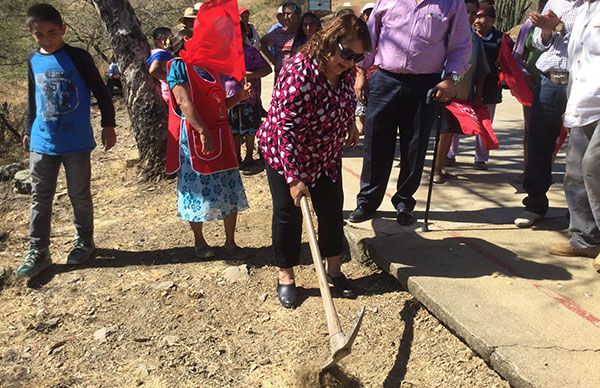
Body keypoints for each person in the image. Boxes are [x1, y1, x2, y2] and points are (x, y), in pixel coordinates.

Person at [258, 14, 369, 308]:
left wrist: (348, 125)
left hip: (325, 156)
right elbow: (285, 130)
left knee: (331, 211)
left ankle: (334, 270)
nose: (350, 61)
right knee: (288, 214)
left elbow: (345, 99)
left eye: (358, 56)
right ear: (330, 40)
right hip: (285, 154)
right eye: (346, 53)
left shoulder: (344, 72)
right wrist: (294, 179)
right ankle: (286, 276)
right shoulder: (299, 72)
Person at [348, 0, 471, 226]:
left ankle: (404, 201)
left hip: (425, 83)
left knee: (415, 145)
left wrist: (452, 79)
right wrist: (361, 71)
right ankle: (367, 201)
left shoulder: (452, 3)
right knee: (376, 142)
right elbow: (370, 37)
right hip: (384, 78)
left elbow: (461, 44)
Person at [16, 3, 117, 278]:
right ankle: (39, 252)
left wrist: (109, 124)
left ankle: (85, 241)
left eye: (52, 32)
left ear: (63, 28)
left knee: (79, 195)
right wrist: (27, 128)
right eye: (39, 34)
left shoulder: (79, 57)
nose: (47, 39)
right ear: (32, 34)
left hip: (75, 142)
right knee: (40, 197)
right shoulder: (32, 59)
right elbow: (32, 98)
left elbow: (103, 93)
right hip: (42, 141)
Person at [166, 30, 251, 259]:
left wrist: (239, 97)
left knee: (228, 183)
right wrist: (202, 130)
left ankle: (230, 242)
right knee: (197, 187)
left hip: (221, 134)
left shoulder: (211, 69)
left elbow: (219, 104)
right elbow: (183, 101)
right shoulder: (178, 66)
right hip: (196, 136)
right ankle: (199, 242)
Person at [514, 0, 585, 228]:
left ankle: (578, 213)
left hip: (581, 83)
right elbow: (537, 43)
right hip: (549, 81)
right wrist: (545, 30)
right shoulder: (555, 2)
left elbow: (589, 39)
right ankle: (534, 204)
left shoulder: (593, 7)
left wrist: (559, 26)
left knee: (581, 149)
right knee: (539, 144)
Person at [549, 0, 600, 264]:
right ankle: (585, 239)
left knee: (594, 166)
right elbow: (579, 62)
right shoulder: (582, 12)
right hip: (583, 102)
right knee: (575, 171)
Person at [434, 0, 490, 184]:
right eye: (466, 11)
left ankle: (440, 167)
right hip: (441, 92)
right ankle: (433, 168)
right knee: (441, 132)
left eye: (474, 13)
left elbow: (481, 70)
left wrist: (478, 96)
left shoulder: (475, 39)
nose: (470, 16)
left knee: (448, 132)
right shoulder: (443, 32)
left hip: (461, 96)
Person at [446, 4, 503, 170]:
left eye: (481, 16)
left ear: (492, 20)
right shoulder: (464, 36)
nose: (477, 21)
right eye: (474, 16)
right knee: (457, 120)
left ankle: (481, 158)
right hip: (466, 87)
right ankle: (450, 154)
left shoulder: (501, 40)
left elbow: (508, 62)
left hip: (490, 90)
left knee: (484, 123)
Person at [223, 23, 272, 169]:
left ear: (245, 33)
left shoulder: (250, 51)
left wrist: (247, 74)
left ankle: (249, 156)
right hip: (231, 98)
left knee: (250, 129)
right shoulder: (223, 53)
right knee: (234, 130)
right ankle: (236, 157)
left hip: (249, 97)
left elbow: (267, 69)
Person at [260, 2, 301, 77]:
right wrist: (274, 61)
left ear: (298, 15)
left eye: (289, 14)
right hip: (281, 75)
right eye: (284, 14)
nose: (286, 17)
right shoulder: (278, 32)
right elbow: (262, 43)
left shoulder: (304, 32)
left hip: (299, 75)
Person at [147, 27, 173, 104]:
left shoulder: (161, 52)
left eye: (171, 37)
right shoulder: (161, 53)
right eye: (165, 38)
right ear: (157, 41)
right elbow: (153, 70)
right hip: (171, 91)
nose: (169, 41)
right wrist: (172, 79)